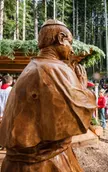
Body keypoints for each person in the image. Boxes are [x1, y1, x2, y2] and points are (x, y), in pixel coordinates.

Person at [0, 20, 97, 172]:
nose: (71, 50)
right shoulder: (54, 69)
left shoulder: (31, 67)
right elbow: (80, 110)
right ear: (60, 38)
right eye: (69, 43)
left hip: (18, 162)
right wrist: (83, 88)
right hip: (44, 163)